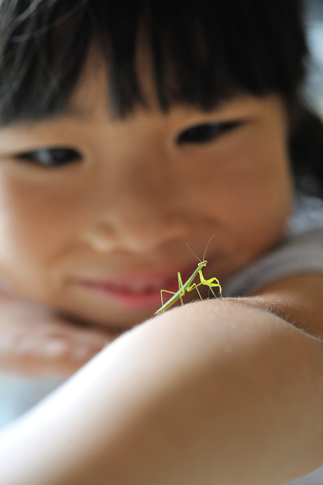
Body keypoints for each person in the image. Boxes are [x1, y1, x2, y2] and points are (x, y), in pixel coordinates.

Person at [0, 0, 323, 483]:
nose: (141, 230)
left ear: (288, 120)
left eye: (205, 131)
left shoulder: (306, 274)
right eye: (51, 155)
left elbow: (271, 351)